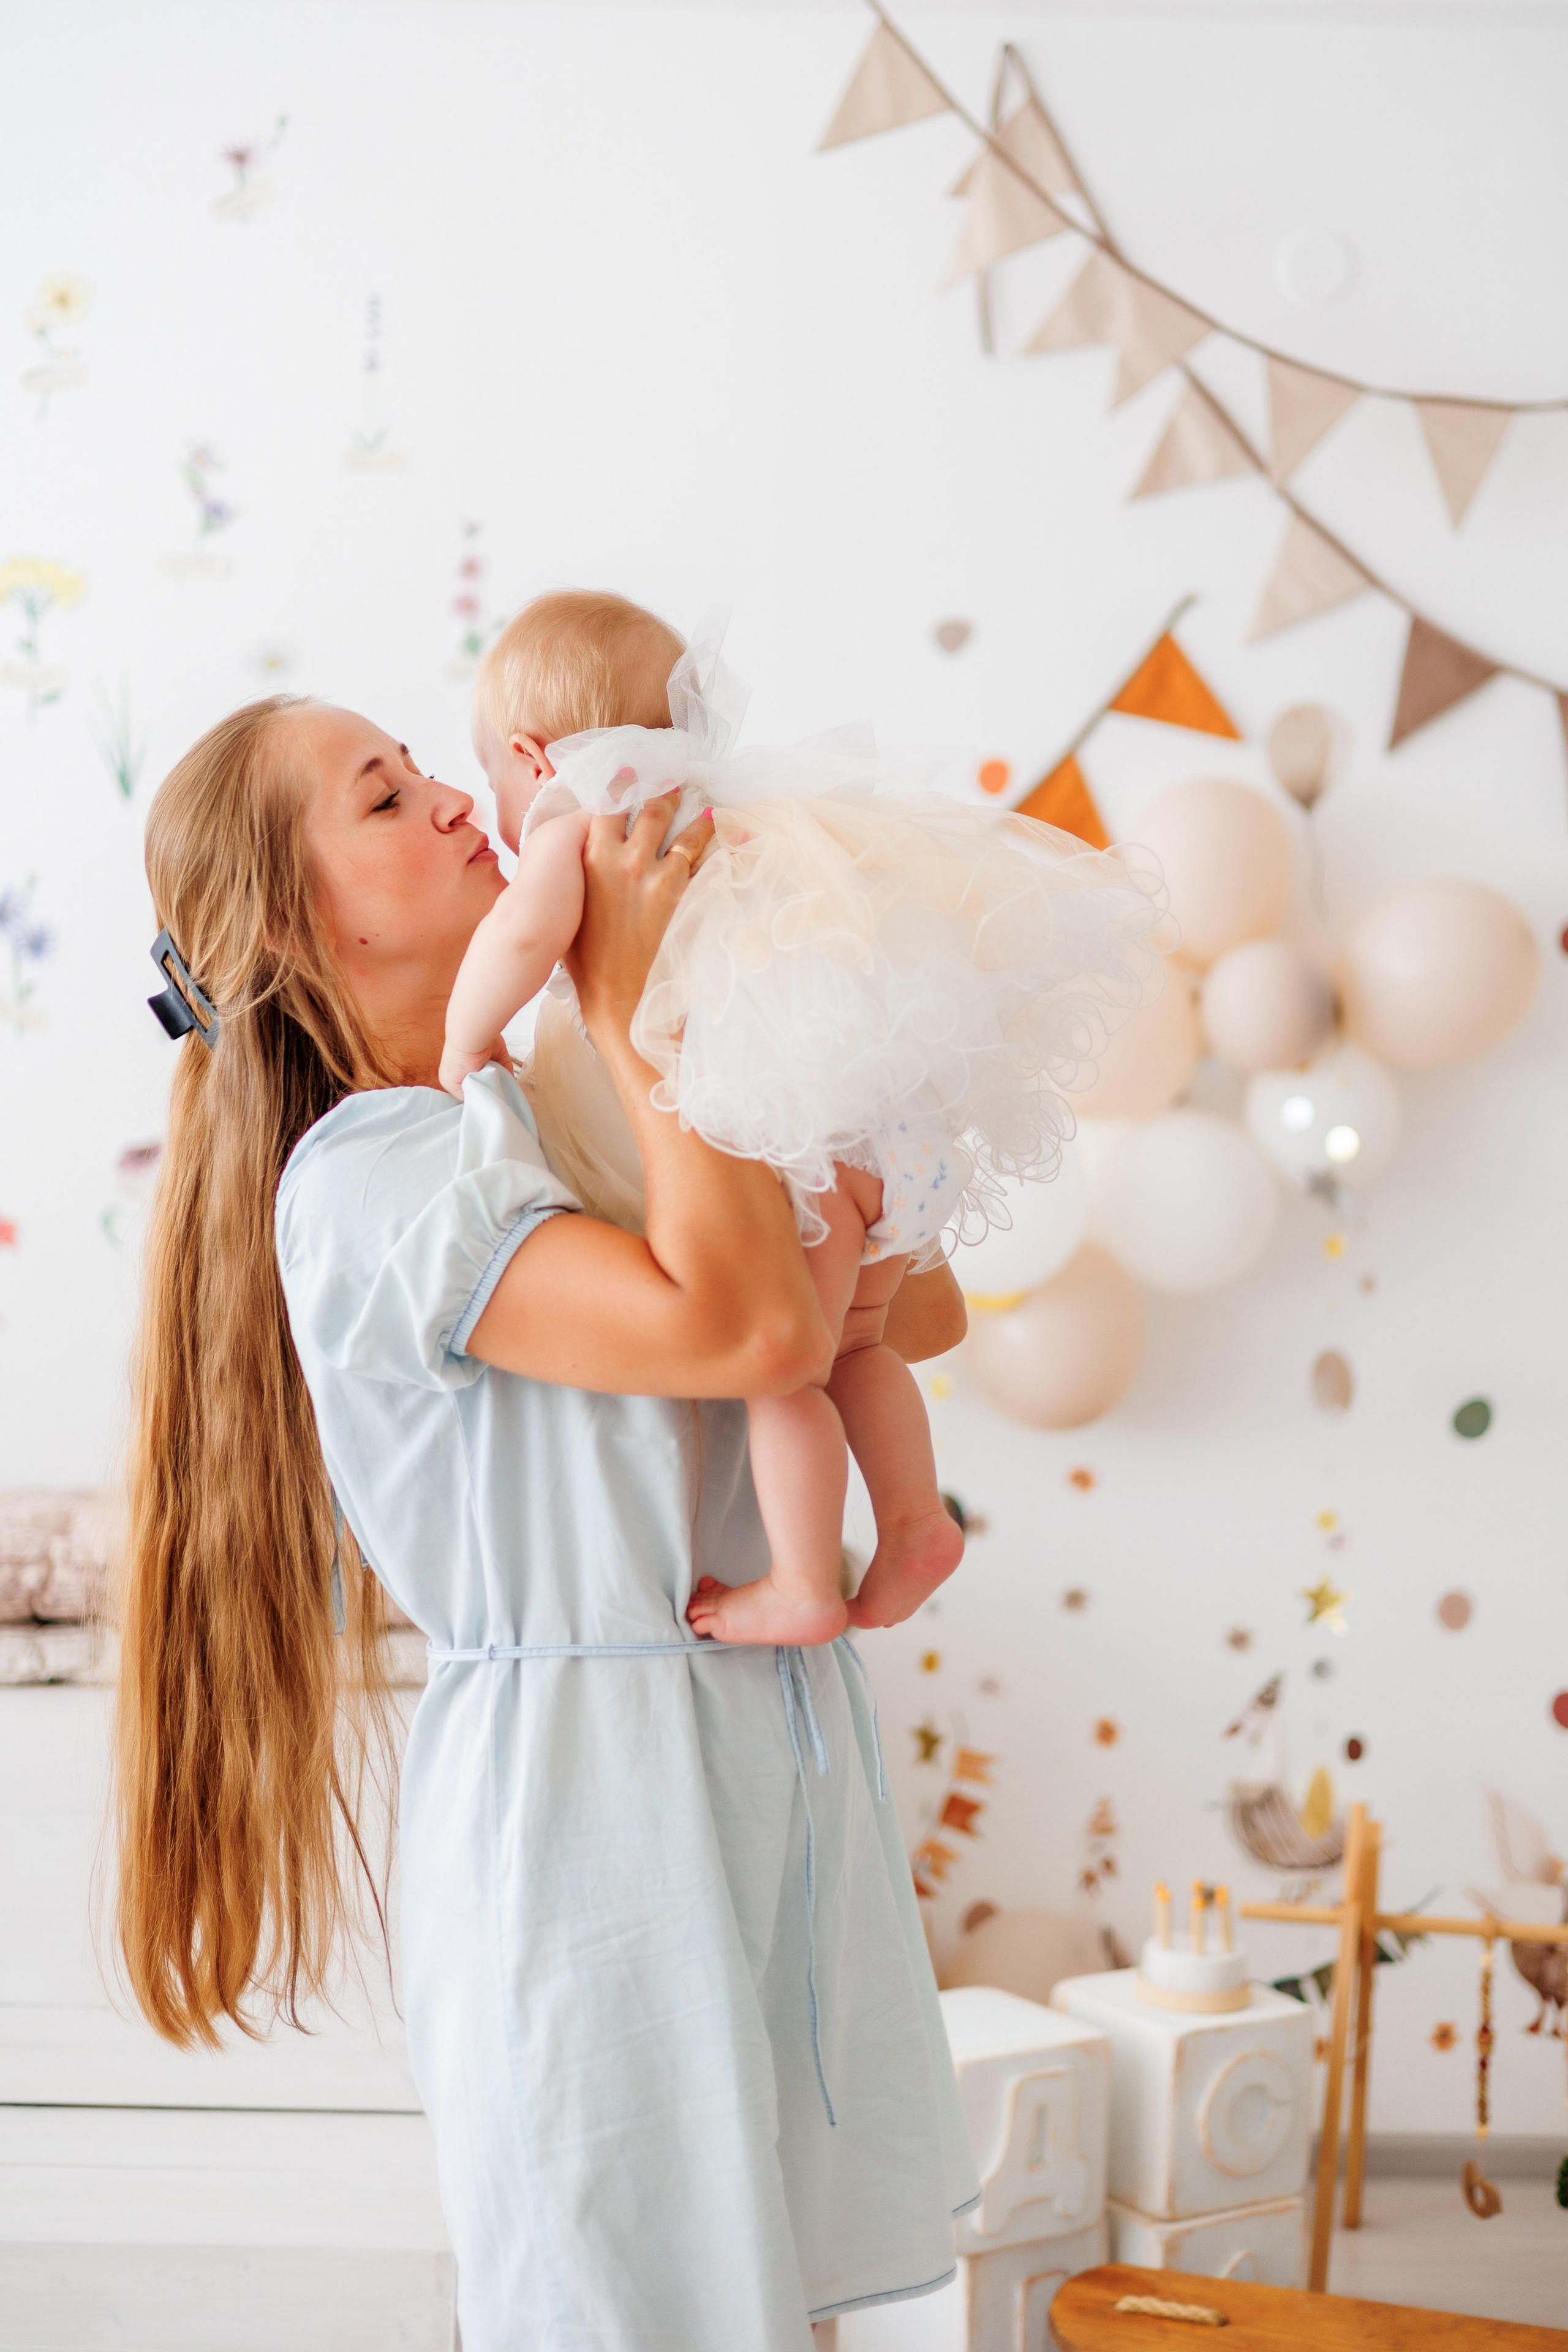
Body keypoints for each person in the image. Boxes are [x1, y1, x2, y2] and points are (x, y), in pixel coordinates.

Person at [115, 693, 978, 2351]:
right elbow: (756, 1340)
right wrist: (641, 992)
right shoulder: (375, 1182)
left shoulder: (560, 1101)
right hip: (590, 1811)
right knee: (631, 2298)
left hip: (746, 1754)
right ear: (297, 924)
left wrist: (774, 1037)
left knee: (775, 2299)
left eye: (426, 768)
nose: (456, 799)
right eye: (385, 795)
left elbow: (904, 1322)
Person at [446, 592, 1164, 1651]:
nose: (497, 818)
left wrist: (469, 1041)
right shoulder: (719, 805)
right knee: (861, 1345)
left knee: (785, 1370)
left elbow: (520, 937)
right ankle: (916, 1522)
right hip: (892, 1134)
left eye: (493, 785)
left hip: (802, 1147)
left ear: (531, 755)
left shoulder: (591, 818)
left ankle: (800, 1579)